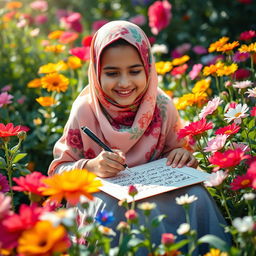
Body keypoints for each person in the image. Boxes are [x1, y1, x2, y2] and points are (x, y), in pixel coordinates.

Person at [48, 20, 230, 255]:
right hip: (107, 198)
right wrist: (91, 166)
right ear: (96, 72)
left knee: (196, 195)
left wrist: (181, 154)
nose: (124, 83)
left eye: (135, 71)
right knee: (112, 208)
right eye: (112, 73)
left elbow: (181, 151)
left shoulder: (160, 105)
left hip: (160, 191)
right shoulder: (86, 110)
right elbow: (58, 172)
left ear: (148, 67)